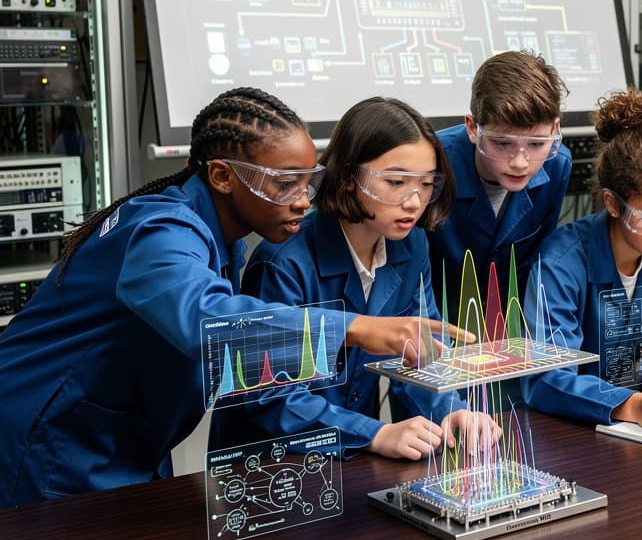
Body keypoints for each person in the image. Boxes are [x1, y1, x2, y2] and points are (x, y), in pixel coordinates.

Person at [0, 87, 453, 507]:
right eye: (284, 183)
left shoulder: (223, 239)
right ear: (222, 176)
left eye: (307, 182)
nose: (303, 200)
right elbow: (209, 321)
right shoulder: (162, 230)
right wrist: (355, 327)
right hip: (50, 439)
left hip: (119, 438)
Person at [214, 98, 500, 459]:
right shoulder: (282, 262)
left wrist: (452, 410)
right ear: (349, 178)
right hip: (269, 465)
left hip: (352, 459)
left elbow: (420, 356)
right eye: (396, 181)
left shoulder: (412, 246)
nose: (414, 202)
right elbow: (270, 397)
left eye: (427, 184)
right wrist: (373, 433)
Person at [520, 89, 642, 431]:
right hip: (565, 433)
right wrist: (632, 405)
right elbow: (545, 379)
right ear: (613, 204)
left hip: (636, 434)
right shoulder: (560, 265)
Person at [427, 49, 571, 320]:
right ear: (473, 128)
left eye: (536, 144)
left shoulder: (557, 164)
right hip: (438, 320)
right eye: (503, 143)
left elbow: (539, 259)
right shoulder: (432, 163)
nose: (520, 162)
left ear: (554, 129)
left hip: (510, 323)